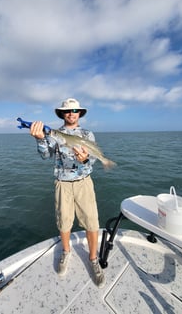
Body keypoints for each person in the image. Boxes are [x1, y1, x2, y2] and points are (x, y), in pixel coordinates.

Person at [30, 98, 105, 288]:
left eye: (75, 110)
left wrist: (85, 159)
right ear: (62, 114)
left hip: (84, 183)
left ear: (80, 113)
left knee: (92, 221)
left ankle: (94, 259)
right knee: (64, 221)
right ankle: (66, 252)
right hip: (62, 183)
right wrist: (40, 140)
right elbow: (45, 155)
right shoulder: (54, 134)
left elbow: (92, 160)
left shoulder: (88, 134)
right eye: (67, 111)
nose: (71, 113)